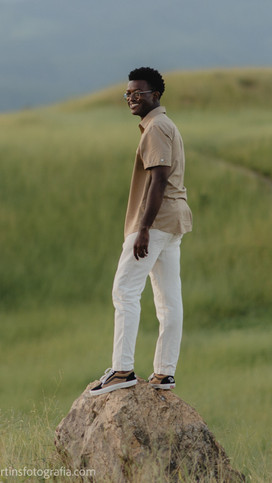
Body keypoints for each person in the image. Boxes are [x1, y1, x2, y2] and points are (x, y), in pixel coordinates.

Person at [89, 67, 192, 395]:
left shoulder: (157, 128)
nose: (131, 98)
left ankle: (123, 370)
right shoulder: (163, 124)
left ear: (155, 95)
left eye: (138, 93)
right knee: (168, 300)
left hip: (156, 224)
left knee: (124, 291)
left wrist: (143, 228)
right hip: (172, 223)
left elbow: (159, 178)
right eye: (128, 93)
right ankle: (164, 374)